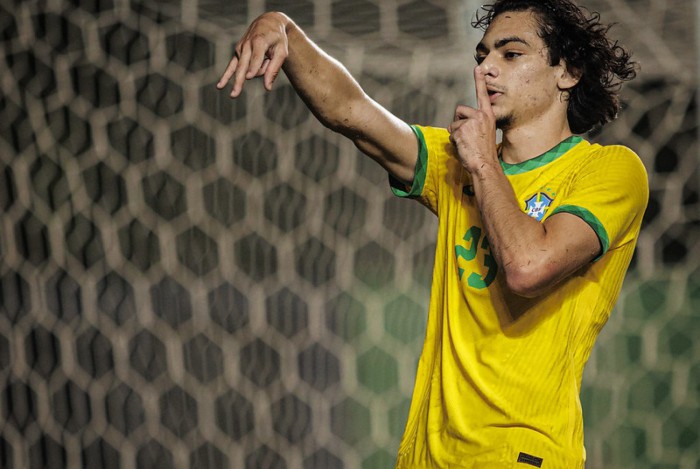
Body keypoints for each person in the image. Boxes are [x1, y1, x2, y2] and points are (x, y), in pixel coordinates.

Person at [217, 0, 648, 467]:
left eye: (511, 54)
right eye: (482, 55)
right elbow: (352, 111)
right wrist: (283, 28)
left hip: (521, 453)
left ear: (568, 72)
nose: (486, 68)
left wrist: (481, 161)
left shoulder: (607, 171)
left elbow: (528, 267)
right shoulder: (459, 162)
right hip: (426, 456)